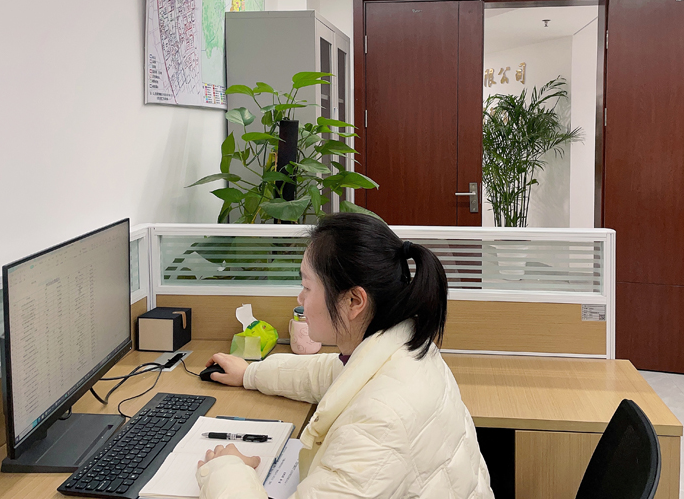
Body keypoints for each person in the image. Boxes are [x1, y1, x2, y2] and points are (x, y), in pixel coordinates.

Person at [196, 213, 494, 499]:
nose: (300, 298)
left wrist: (226, 470)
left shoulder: (378, 424)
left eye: (307, 286)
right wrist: (249, 374)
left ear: (353, 301)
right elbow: (332, 374)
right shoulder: (401, 347)